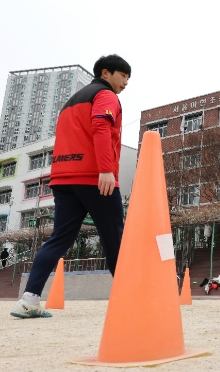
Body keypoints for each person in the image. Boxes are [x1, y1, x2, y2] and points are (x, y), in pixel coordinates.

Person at [10, 55, 131, 319]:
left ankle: (29, 300)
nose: (126, 83)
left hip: (63, 178)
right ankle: (130, 300)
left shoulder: (69, 103)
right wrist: (106, 169)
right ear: (106, 73)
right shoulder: (105, 95)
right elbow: (101, 127)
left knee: (59, 238)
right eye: (123, 76)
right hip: (94, 177)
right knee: (115, 238)